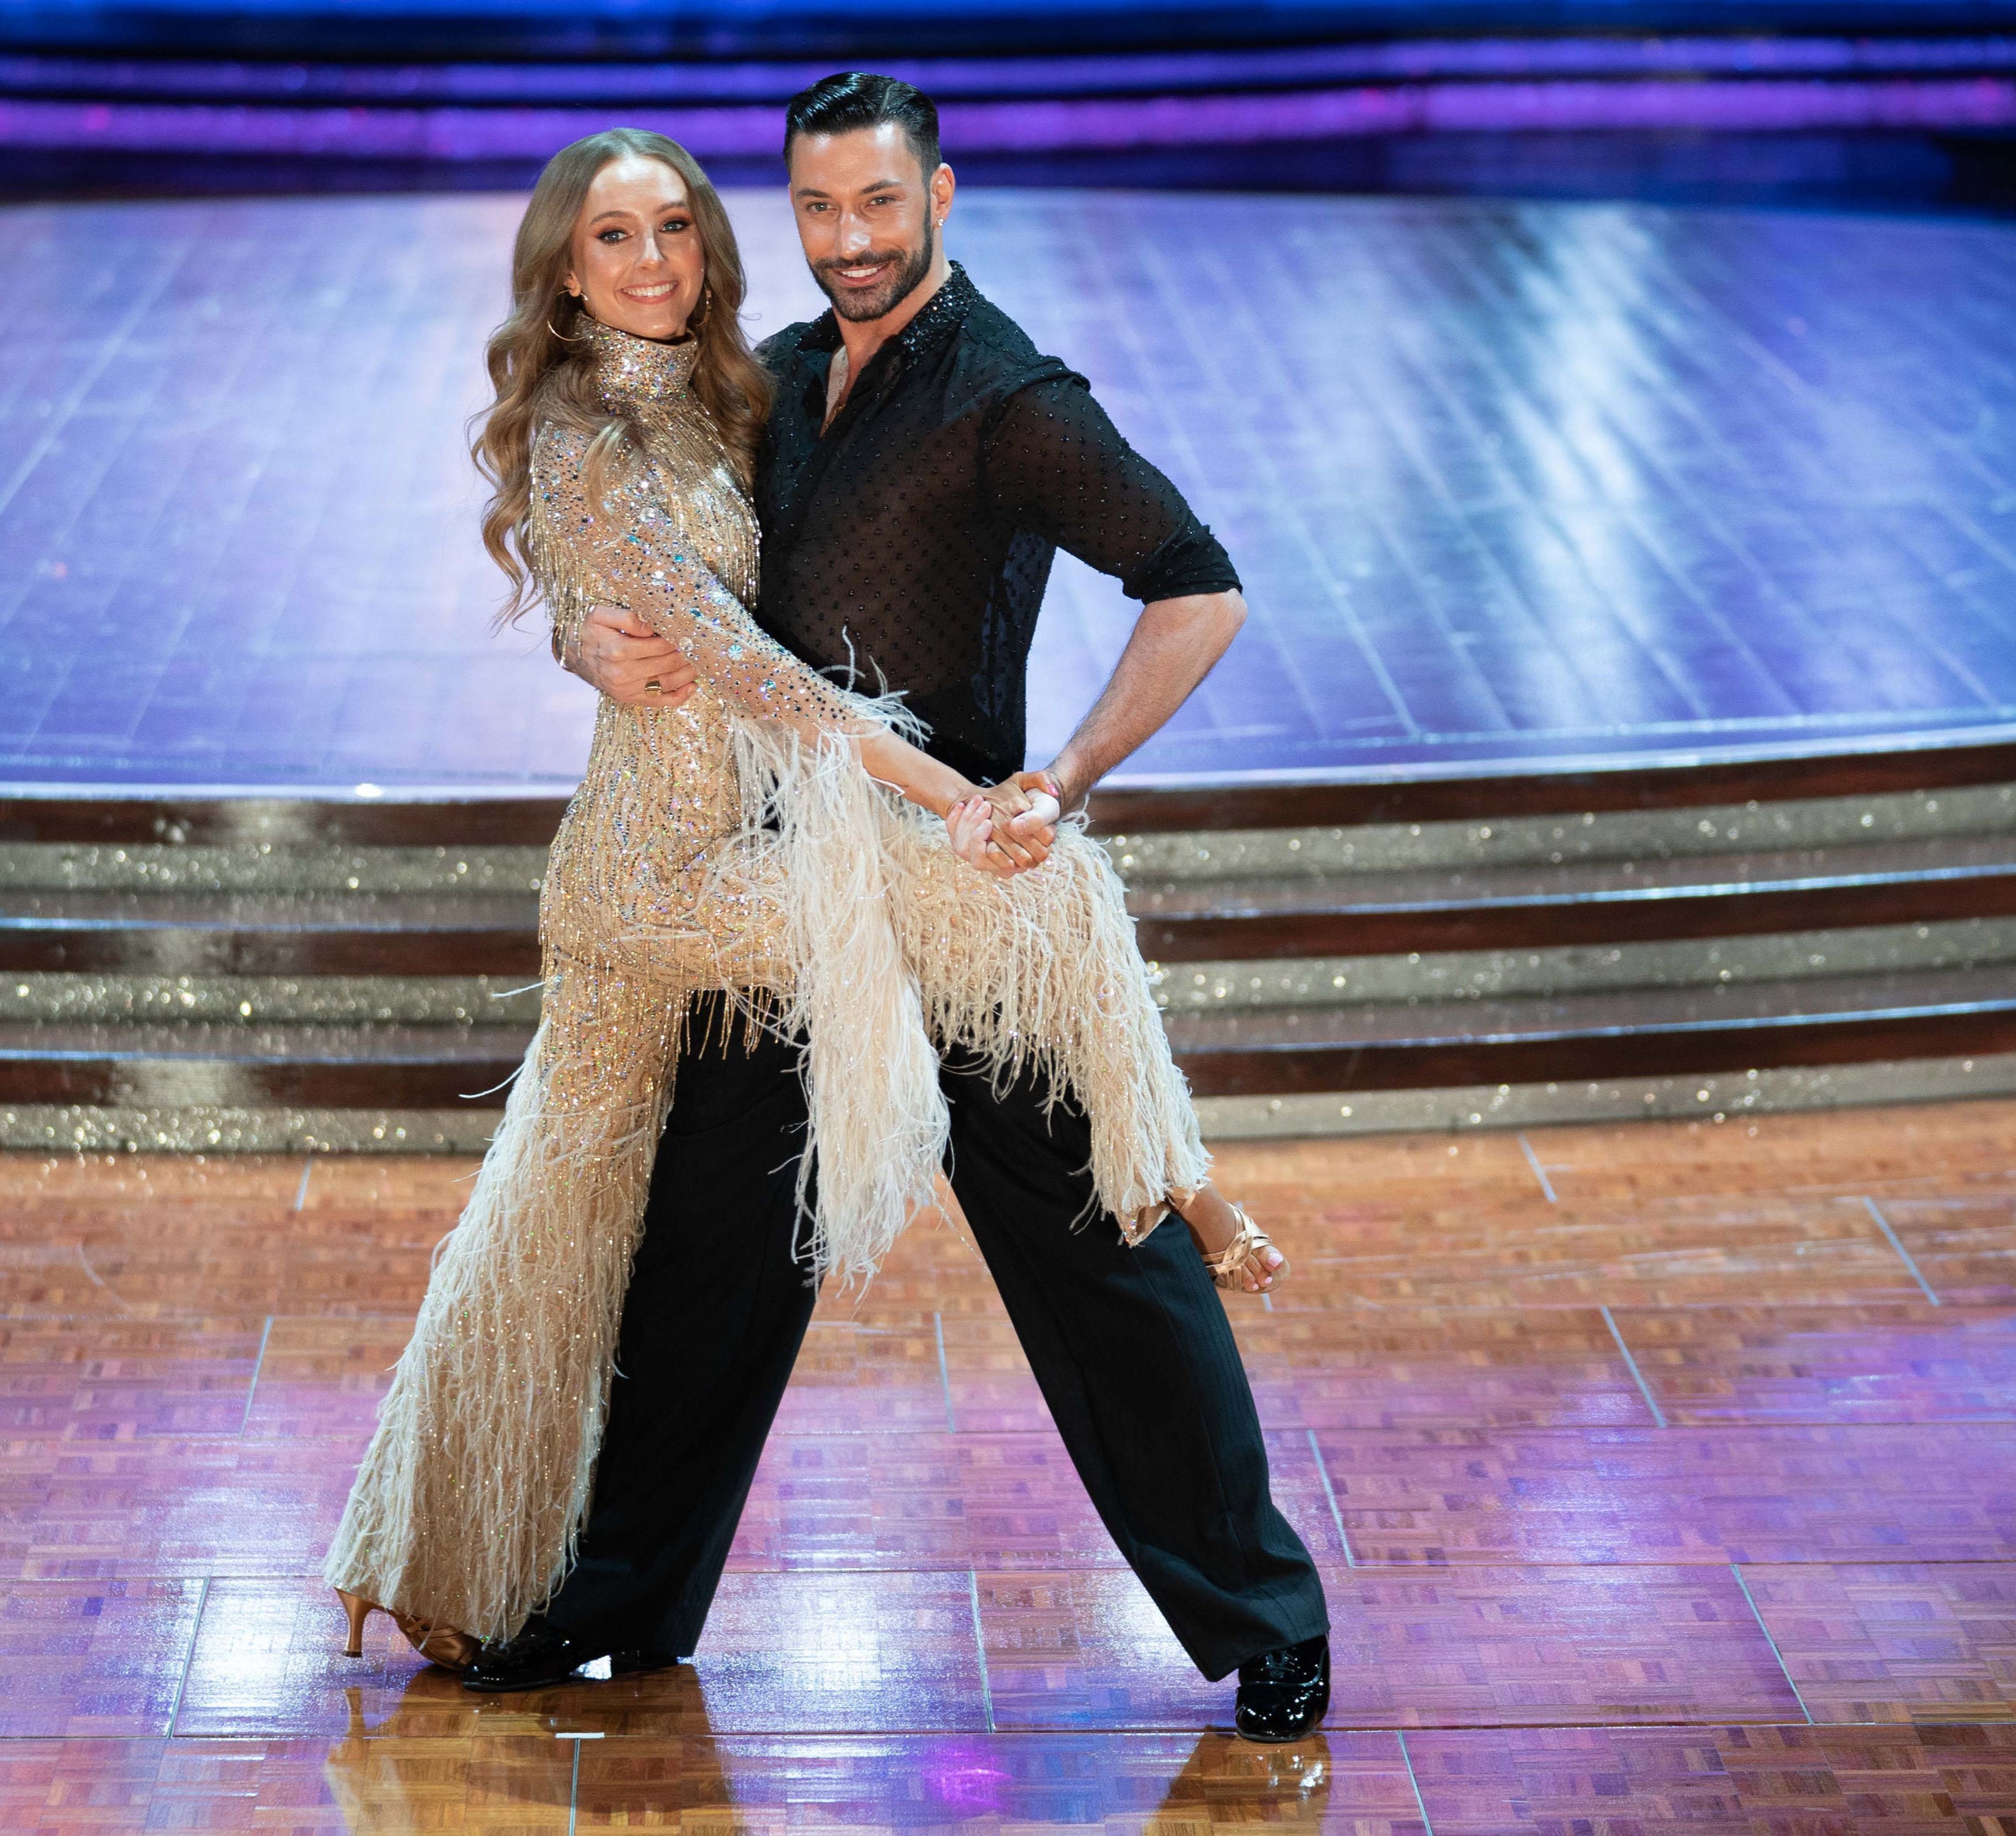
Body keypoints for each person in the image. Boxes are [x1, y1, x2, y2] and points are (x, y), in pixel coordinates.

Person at [322, 123, 1290, 1707]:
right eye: (819, 206)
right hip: (769, 889)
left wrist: (1058, 781)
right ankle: (613, 1597)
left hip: (949, 882)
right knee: (703, 1263)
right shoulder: (761, 378)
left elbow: (1202, 584)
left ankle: (1267, 1618)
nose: (848, 236)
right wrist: (580, 626)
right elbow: (653, 568)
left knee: (1103, 1272)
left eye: (880, 203)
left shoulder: (1016, 401)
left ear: (941, 199)